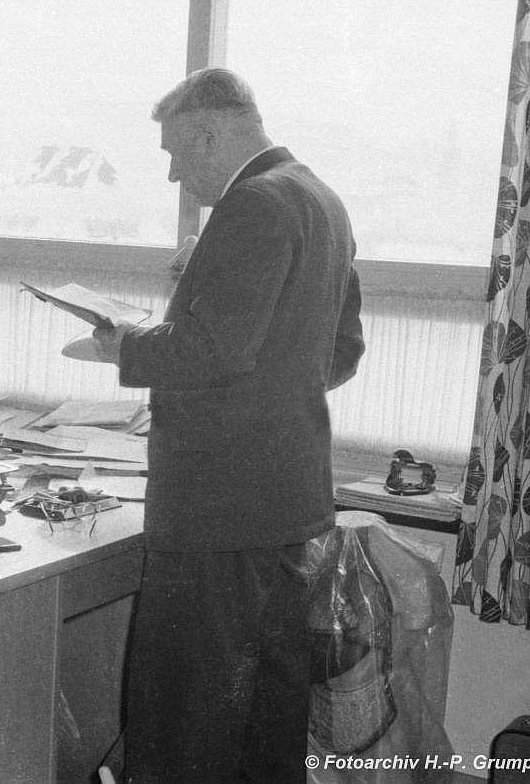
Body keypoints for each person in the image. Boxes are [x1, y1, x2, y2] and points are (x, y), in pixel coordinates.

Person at [89, 69, 364, 781]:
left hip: (218, 513)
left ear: (210, 134)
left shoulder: (253, 206)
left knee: (184, 719)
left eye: (177, 153)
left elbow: (214, 349)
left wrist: (125, 345)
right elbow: (341, 351)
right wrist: (271, 389)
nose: (175, 174)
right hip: (287, 508)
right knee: (268, 717)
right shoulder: (322, 200)